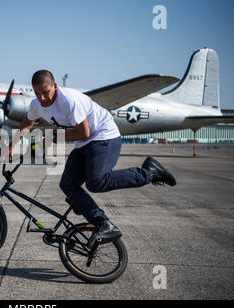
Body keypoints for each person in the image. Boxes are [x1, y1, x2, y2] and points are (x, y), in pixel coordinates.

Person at [9, 70, 176, 244]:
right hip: (84, 143)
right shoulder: (37, 105)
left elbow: (83, 132)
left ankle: (148, 173)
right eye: (37, 93)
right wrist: (12, 145)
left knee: (96, 182)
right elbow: (28, 122)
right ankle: (102, 223)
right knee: (68, 184)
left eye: (46, 92)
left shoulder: (68, 100)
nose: (42, 98)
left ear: (55, 87)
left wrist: (52, 138)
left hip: (104, 136)